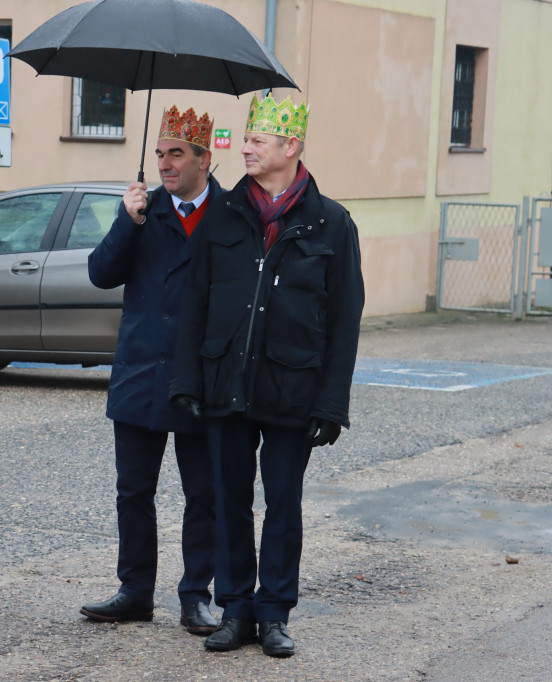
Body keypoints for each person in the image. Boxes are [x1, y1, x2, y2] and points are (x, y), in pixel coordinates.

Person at [170, 94, 365, 657]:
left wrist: (331, 405)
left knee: (283, 503)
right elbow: (195, 306)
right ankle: (235, 608)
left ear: (291, 147)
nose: (247, 148)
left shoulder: (331, 222)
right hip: (225, 384)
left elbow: (344, 321)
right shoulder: (224, 216)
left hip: (293, 388)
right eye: (247, 139)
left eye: (258, 141)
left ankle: (275, 612)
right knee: (230, 499)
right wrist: (186, 381)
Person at [82, 106, 222, 635]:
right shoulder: (143, 210)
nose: (165, 163)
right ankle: (135, 590)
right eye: (160, 153)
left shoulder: (230, 214)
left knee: (202, 495)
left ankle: (195, 596)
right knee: (133, 492)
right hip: (141, 373)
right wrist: (127, 220)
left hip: (200, 379)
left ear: (204, 158)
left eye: (177, 153)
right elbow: (100, 274)